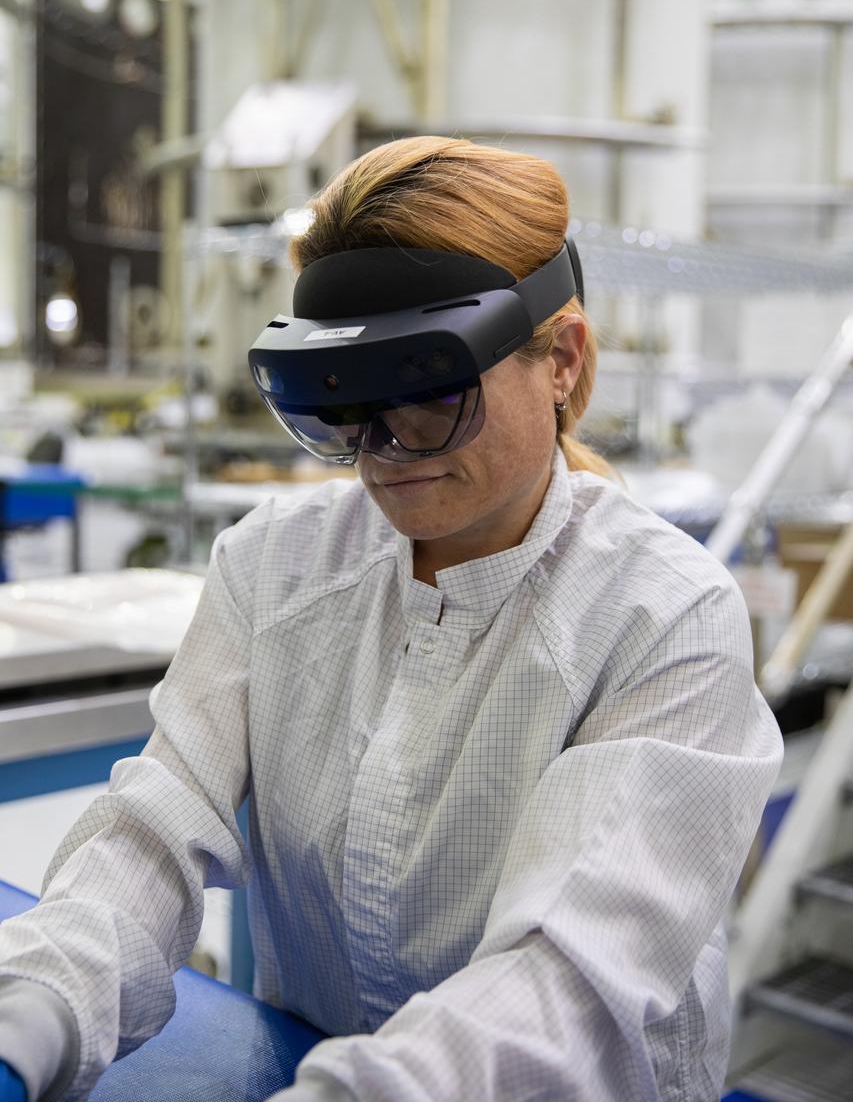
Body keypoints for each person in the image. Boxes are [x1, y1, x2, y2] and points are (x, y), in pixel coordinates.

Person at [0, 136, 782, 1101]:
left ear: (560, 359)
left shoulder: (665, 618)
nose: (382, 451)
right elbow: (151, 835)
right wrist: (31, 1011)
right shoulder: (275, 566)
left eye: (426, 398)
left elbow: (562, 982)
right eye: (342, 410)